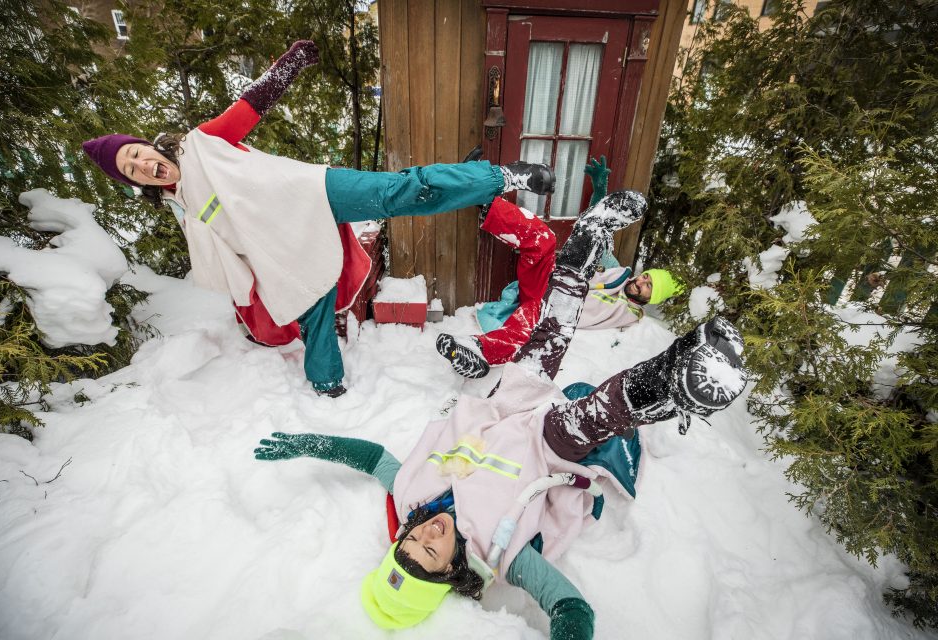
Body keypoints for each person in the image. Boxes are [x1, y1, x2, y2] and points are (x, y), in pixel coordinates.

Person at [253, 189, 748, 638]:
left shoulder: (411, 499)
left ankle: (588, 238)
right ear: (451, 571)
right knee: (591, 416)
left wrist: (309, 444)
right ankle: (680, 372)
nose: (427, 534)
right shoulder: (502, 555)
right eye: (430, 551)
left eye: (411, 543)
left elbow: (373, 458)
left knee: (549, 332)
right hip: (546, 444)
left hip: (503, 405)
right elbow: (569, 606)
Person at [82, 39, 555, 397]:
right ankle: (329, 390)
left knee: (399, 190)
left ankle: (501, 176)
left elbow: (249, 106)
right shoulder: (182, 207)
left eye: (137, 154)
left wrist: (291, 63)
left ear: (147, 146)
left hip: (313, 193)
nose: (142, 165)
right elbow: (228, 255)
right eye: (130, 171)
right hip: (283, 248)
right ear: (135, 183)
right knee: (313, 312)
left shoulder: (201, 144)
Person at [436, 157, 683, 379]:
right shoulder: (617, 272)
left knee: (529, 325)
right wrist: (600, 193)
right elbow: (596, 235)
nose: (641, 282)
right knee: (545, 237)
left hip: (554, 307)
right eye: (646, 277)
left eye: (649, 287)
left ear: (652, 299)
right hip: (549, 279)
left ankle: (478, 352)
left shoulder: (631, 315)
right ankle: (484, 201)